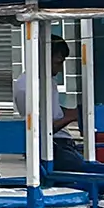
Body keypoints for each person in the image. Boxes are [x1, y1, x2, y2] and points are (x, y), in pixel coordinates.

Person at [17, 38, 87, 172]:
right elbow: (41, 128)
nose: (60, 69)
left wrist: (74, 112)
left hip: (61, 143)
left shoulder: (47, 80)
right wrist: (71, 117)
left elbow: (54, 111)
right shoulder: (28, 86)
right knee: (92, 172)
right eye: (58, 63)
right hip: (53, 146)